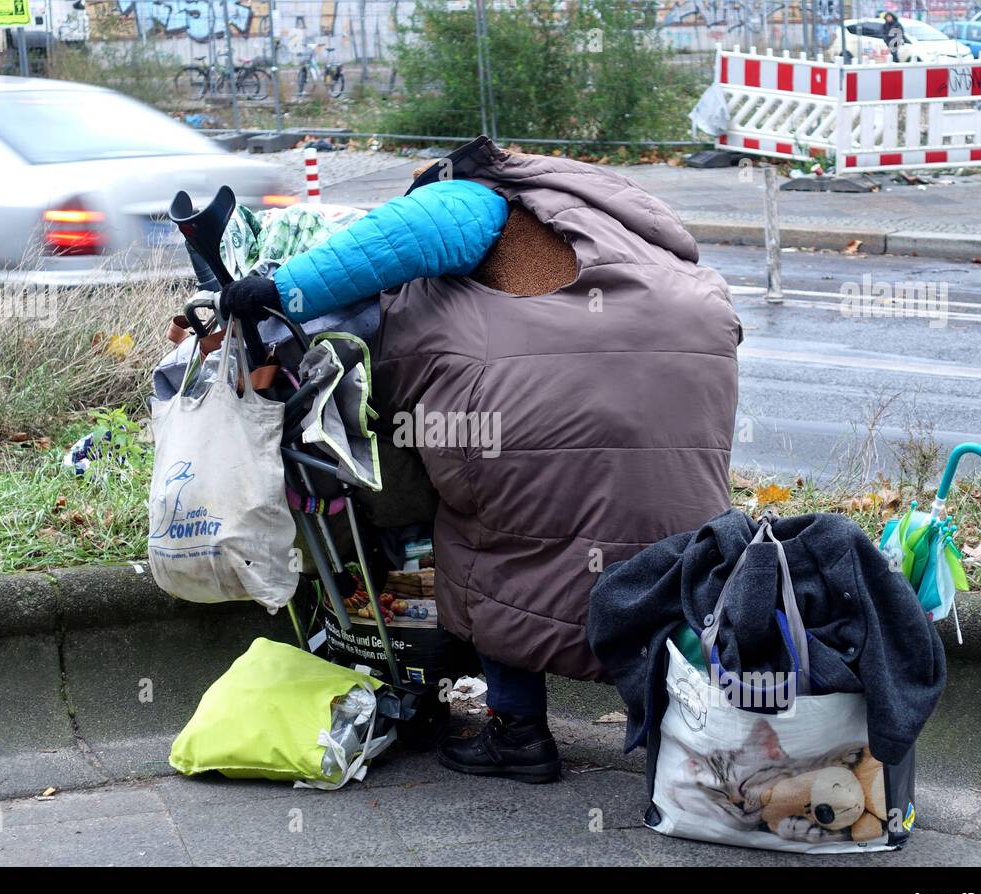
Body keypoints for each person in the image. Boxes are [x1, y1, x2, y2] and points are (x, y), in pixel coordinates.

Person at [218, 137, 740, 783]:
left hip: (544, 402)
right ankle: (681, 732)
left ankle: (516, 731)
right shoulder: (619, 219)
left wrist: (279, 289)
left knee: (500, 540)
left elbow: (399, 239)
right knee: (658, 550)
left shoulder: (482, 195)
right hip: (685, 398)